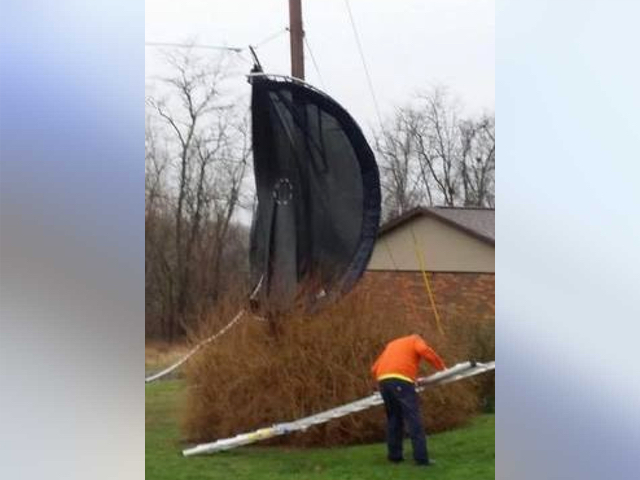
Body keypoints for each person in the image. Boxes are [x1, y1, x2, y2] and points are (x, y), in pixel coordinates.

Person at [371, 334, 446, 466]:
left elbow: (374, 368)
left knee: (394, 419)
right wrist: (442, 368)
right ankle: (422, 459)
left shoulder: (392, 344)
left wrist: (391, 378)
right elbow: (424, 351)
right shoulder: (415, 339)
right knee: (413, 419)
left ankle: (395, 457)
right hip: (401, 380)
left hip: (383, 381)